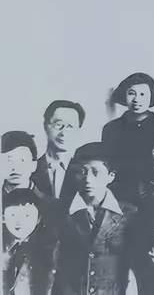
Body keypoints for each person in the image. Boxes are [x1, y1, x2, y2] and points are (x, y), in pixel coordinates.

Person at [53, 142, 138, 295]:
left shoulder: (129, 214)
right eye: (82, 172)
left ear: (111, 176)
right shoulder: (60, 212)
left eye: (95, 172)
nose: (87, 179)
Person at [102, 72, 154, 198]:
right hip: (118, 193)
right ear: (124, 95)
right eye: (131, 93)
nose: (136, 99)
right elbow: (108, 164)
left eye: (142, 94)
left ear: (151, 96)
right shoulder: (111, 128)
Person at [2, 188, 59, 295]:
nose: (19, 221)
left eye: (27, 215)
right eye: (13, 215)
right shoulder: (5, 249)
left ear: (38, 219)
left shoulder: (49, 250)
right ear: (3, 217)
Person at [32, 100, 86, 205]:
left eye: (70, 126)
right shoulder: (31, 169)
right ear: (45, 126)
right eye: (58, 124)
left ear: (78, 130)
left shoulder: (85, 173)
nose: (63, 132)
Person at [2, 131, 46, 198]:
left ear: (34, 165)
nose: (15, 168)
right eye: (9, 161)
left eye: (22, 160)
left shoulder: (48, 202)